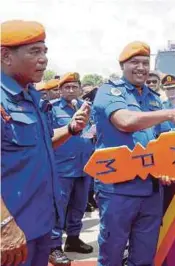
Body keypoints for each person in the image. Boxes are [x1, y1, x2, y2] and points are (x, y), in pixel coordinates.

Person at [92, 41, 175, 265]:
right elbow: (125, 121)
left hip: (150, 189)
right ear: (122, 65)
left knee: (144, 255)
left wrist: (167, 169)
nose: (141, 67)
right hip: (118, 188)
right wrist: (169, 113)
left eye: (145, 63)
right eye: (134, 62)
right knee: (112, 253)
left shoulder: (153, 98)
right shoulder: (109, 92)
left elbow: (161, 141)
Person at [1, 20, 90, 266]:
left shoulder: (31, 97)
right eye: (34, 51)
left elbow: (41, 145)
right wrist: (4, 225)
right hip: (11, 229)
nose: (44, 59)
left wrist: (71, 129)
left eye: (44, 51)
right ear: (6, 56)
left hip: (39, 225)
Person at [48, 72, 94, 265]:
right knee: (59, 208)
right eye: (66, 87)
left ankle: (73, 240)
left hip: (84, 167)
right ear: (59, 90)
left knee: (79, 206)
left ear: (80, 89)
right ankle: (54, 246)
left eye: (74, 86)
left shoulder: (87, 108)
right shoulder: (51, 109)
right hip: (62, 168)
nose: (71, 90)